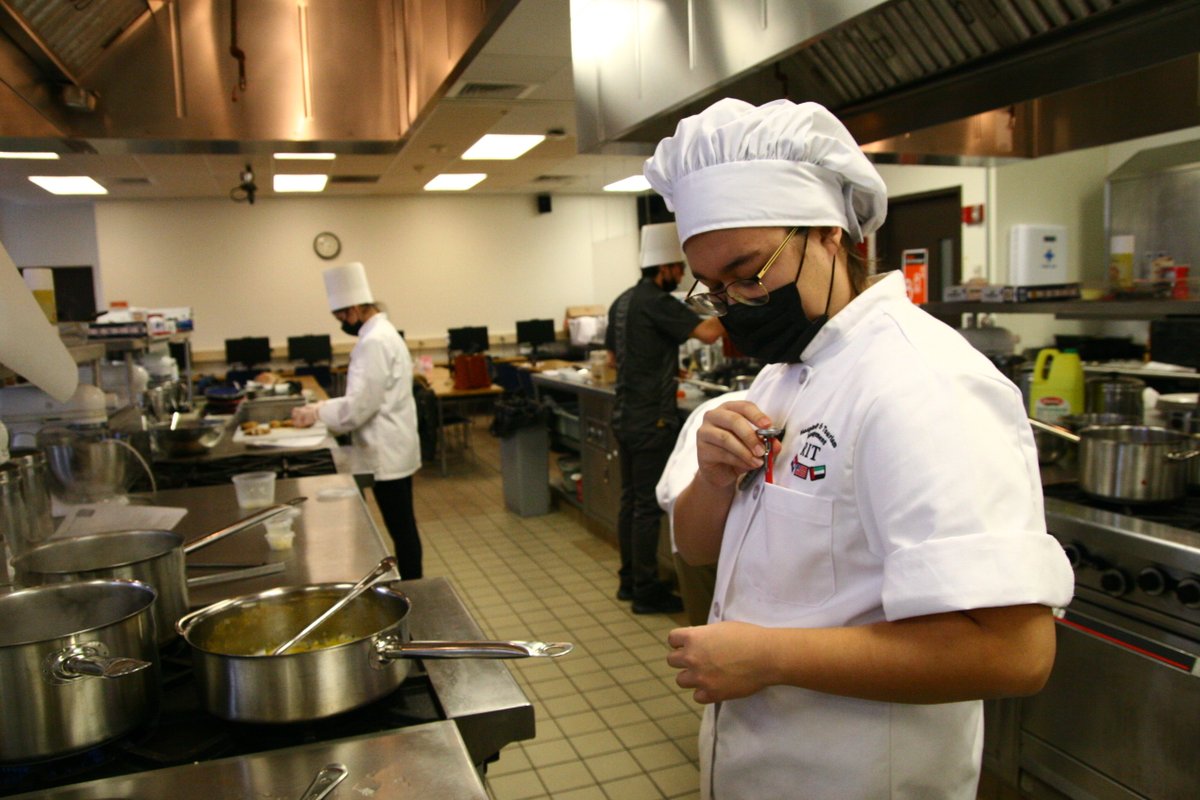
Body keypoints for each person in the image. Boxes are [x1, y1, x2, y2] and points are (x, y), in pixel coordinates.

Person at [643, 98, 1075, 799]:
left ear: (825, 233)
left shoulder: (921, 383)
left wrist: (768, 657)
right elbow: (694, 549)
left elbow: (1015, 653)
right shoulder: (787, 372)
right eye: (716, 289)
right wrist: (715, 481)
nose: (738, 304)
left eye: (751, 274)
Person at [606, 222, 724, 614]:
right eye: (678, 267)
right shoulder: (657, 301)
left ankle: (628, 580)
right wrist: (734, 298)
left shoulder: (622, 301)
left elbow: (613, 358)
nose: (681, 274)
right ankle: (645, 590)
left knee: (629, 502)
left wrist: (664, 367)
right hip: (650, 419)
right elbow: (708, 333)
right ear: (665, 268)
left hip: (624, 413)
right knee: (645, 507)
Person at [292, 261, 424, 578]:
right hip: (392, 445)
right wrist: (325, 407)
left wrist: (317, 412)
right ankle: (413, 583)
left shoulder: (374, 342)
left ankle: (414, 589)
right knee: (403, 525)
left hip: (386, 451)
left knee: (402, 527)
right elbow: (366, 397)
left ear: (354, 309)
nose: (341, 323)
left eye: (340, 317)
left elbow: (360, 407)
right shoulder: (382, 334)